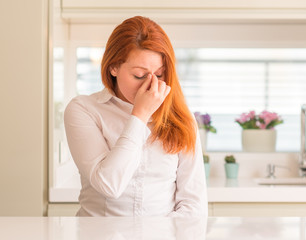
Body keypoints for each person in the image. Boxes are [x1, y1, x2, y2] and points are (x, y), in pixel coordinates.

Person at [64, 16, 208, 217]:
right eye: (139, 75)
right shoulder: (84, 109)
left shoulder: (181, 117)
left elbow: (194, 205)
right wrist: (140, 115)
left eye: (159, 75)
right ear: (113, 67)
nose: (150, 85)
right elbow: (109, 185)